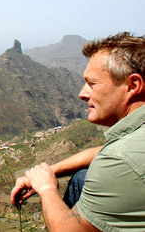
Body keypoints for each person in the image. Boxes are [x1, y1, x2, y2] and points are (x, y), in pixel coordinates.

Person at [11, 32, 145, 231]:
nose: (82, 93)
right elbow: (104, 152)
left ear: (133, 85)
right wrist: (50, 171)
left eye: (92, 83)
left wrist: (46, 188)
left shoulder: (120, 161)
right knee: (81, 177)